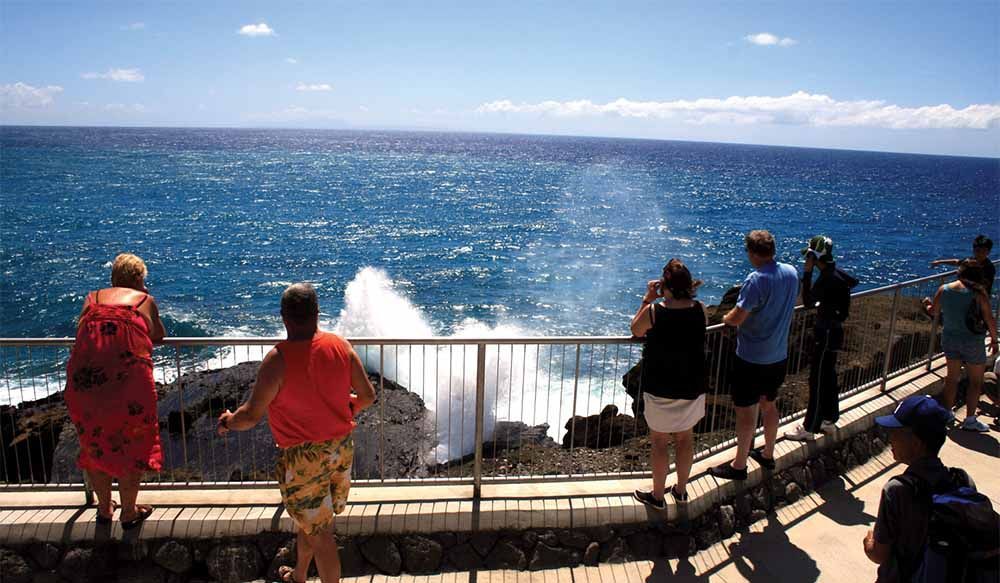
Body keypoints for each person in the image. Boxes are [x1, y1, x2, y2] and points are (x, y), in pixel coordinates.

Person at [217, 283, 376, 583]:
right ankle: (299, 574)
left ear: (283, 317)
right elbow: (368, 396)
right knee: (312, 524)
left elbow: (251, 415)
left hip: (305, 458)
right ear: (317, 314)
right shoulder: (341, 346)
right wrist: (345, 410)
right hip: (340, 449)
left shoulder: (278, 359)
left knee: (321, 534)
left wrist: (227, 421)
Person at [64, 253, 166, 529]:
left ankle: (105, 508)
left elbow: (82, 333)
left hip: (86, 384)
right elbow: (158, 335)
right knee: (133, 443)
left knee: (95, 444)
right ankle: (129, 512)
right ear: (137, 279)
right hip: (129, 386)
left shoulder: (93, 298)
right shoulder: (144, 300)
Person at [709, 230, 799, 480]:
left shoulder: (756, 279)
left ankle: (739, 466)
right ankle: (768, 454)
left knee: (746, 413)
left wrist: (725, 319)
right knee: (769, 406)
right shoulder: (791, 272)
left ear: (751, 252)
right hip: (778, 356)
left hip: (751, 359)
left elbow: (738, 316)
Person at [629, 259, 707, 509]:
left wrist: (647, 298)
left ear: (665, 285)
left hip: (660, 386)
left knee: (660, 442)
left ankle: (658, 496)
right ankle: (681, 492)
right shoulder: (700, 309)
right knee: (685, 439)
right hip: (692, 385)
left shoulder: (656, 311)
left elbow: (635, 330)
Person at [863, 395, 960, 582]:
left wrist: (869, 544)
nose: (890, 439)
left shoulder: (897, 490)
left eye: (896, 433)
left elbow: (879, 555)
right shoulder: (961, 479)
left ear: (916, 443)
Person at [785, 236, 859, 441]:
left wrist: (807, 274)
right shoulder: (836, 274)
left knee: (817, 379)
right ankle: (829, 419)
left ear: (814, 256)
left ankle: (809, 428)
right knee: (829, 376)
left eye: (808, 256)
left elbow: (808, 301)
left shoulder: (827, 278)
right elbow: (852, 283)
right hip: (835, 332)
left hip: (825, 333)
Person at [924, 259, 998, 432]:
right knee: (975, 382)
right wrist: (994, 340)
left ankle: (948, 413)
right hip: (973, 341)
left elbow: (933, 311)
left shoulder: (945, 289)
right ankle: (970, 420)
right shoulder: (979, 293)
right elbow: (989, 318)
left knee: (952, 378)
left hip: (950, 339)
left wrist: (926, 303)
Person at [930, 234, 995, 295]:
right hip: (966, 295)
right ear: (973, 250)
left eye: (983, 251)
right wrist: (939, 261)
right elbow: (956, 262)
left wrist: (963, 281)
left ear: (988, 252)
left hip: (980, 298)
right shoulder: (969, 261)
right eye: (978, 251)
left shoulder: (989, 268)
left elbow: (984, 286)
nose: (980, 254)